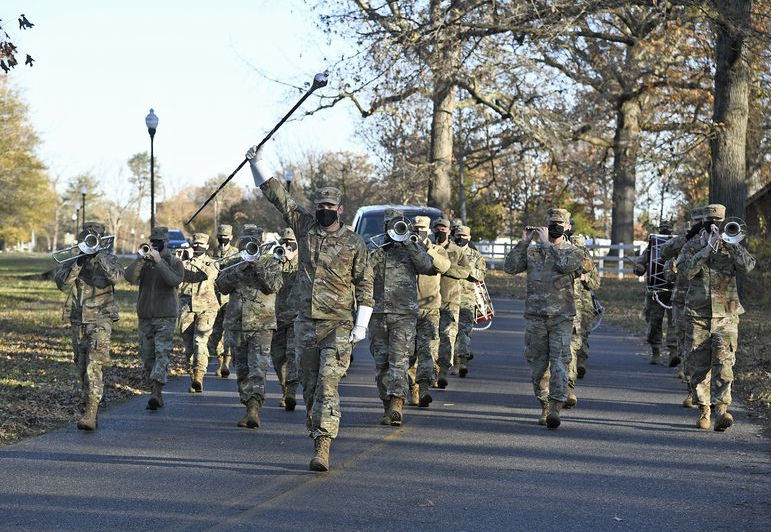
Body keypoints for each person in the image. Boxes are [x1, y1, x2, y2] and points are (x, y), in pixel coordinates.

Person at [247, 144, 374, 472]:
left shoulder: (354, 243)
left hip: (339, 325)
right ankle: (315, 428)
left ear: (341, 209)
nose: (324, 210)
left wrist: (361, 325)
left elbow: (365, 287)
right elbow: (279, 198)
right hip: (306, 324)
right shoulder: (305, 230)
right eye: (320, 205)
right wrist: (257, 163)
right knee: (309, 385)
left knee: (328, 383)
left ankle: (323, 445)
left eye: (330, 206)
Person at [504, 208, 583, 429]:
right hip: (535, 317)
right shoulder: (533, 252)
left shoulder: (574, 251)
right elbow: (509, 267)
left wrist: (549, 244)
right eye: (551, 224)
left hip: (561, 317)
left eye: (560, 224)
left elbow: (565, 265)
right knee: (538, 366)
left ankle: (556, 408)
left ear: (567, 227)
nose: (555, 227)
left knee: (559, 363)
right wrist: (524, 242)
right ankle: (545, 405)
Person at [684, 204, 755, 431]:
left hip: (727, 313)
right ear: (704, 221)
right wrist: (706, 250)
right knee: (698, 368)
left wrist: (731, 247)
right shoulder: (693, 245)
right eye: (711, 221)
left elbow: (749, 266)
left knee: (725, 364)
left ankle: (722, 410)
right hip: (698, 314)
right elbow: (686, 271)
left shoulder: (732, 244)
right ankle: (704, 410)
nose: (715, 224)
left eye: (719, 221)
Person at [367, 208, 435, 426]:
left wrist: (408, 242)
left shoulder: (411, 248)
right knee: (382, 365)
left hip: (404, 314)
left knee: (399, 361)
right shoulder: (375, 248)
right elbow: (362, 272)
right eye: (389, 223)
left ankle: (397, 403)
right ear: (384, 226)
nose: (392, 227)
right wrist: (380, 247)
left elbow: (427, 266)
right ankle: (387, 405)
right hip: (377, 314)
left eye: (396, 223)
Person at [54, 221, 124, 431]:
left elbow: (117, 278)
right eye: (87, 237)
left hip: (101, 318)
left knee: (94, 365)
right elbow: (62, 284)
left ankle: (91, 413)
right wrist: (79, 261)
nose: (90, 240)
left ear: (101, 240)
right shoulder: (75, 259)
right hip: (78, 318)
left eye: (94, 238)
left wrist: (98, 256)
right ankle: (88, 406)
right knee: (82, 366)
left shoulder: (109, 258)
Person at [216, 225, 284, 429]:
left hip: (262, 324)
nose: (249, 245)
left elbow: (274, 285)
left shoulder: (270, 262)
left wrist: (257, 267)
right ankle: (248, 405)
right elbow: (221, 285)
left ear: (260, 243)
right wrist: (240, 269)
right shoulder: (234, 262)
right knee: (243, 369)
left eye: (253, 242)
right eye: (246, 242)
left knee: (258, 367)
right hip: (237, 324)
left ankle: (254, 408)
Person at [125, 226, 184, 410]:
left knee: (162, 353)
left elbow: (174, 281)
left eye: (160, 242)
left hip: (165, 316)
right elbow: (129, 277)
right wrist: (142, 260)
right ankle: (154, 389)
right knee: (147, 356)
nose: (156, 245)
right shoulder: (145, 261)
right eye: (153, 242)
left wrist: (159, 262)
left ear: (166, 242)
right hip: (145, 316)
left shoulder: (174, 262)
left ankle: (156, 392)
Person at [408, 215, 451, 408]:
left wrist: (427, 251)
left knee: (428, 351)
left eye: (423, 229)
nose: (419, 232)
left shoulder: (437, 250)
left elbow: (445, 266)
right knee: (409, 354)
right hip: (407, 310)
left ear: (429, 231)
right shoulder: (405, 249)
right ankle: (412, 388)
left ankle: (424, 387)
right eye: (416, 229)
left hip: (430, 309)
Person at [668, 207, 708, 407]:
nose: (701, 225)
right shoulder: (687, 241)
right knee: (685, 343)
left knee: (697, 347)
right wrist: (685, 238)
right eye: (697, 221)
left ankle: (696, 391)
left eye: (704, 221)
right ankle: (691, 388)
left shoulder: (713, 241)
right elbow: (665, 250)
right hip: (681, 298)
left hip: (702, 303)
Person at [178, 233, 219, 394]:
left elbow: (207, 274)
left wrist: (193, 260)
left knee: (199, 341)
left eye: (201, 244)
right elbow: (174, 276)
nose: (197, 247)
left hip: (207, 307)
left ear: (207, 246)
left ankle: (199, 377)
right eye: (195, 244)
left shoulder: (212, 262)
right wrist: (180, 261)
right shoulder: (184, 261)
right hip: (186, 307)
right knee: (188, 346)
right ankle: (192, 376)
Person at [434, 218, 471, 389]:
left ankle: (443, 371)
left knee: (448, 337)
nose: (440, 231)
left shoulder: (457, 251)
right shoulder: (427, 249)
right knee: (431, 340)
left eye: (444, 229)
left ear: (449, 231)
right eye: (437, 228)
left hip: (451, 301)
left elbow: (465, 271)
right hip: (429, 302)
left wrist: (445, 267)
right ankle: (431, 373)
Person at [633, 220, 676, 365]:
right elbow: (641, 263)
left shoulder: (677, 245)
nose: (665, 230)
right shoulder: (651, 247)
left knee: (674, 322)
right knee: (654, 321)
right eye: (663, 228)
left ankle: (673, 352)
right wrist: (638, 268)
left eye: (668, 228)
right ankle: (655, 351)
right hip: (655, 291)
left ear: (672, 230)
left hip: (674, 290)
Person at [566, 233, 600, 406]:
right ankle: (568, 381)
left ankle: (582, 361)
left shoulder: (588, 261)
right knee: (573, 339)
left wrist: (587, 280)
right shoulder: (566, 258)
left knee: (583, 335)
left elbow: (596, 283)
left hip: (585, 304)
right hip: (568, 304)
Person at [271, 228, 300, 411]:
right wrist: (276, 260)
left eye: (291, 243)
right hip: (276, 316)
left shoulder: (303, 263)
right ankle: (284, 388)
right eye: (285, 243)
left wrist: (293, 259)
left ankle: (291, 391)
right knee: (277, 357)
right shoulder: (274, 261)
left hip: (296, 317)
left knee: (292, 354)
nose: (287, 246)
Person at [453, 225, 486, 378]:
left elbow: (481, 275)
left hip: (467, 298)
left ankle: (462, 361)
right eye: (459, 235)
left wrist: (467, 269)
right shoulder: (449, 252)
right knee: (449, 332)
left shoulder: (476, 255)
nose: (461, 238)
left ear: (469, 237)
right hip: (449, 297)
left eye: (464, 236)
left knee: (464, 331)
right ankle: (451, 361)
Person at [209, 224, 234, 378]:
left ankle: (227, 363)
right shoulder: (213, 252)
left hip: (230, 298)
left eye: (226, 236)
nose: (223, 239)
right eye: (220, 236)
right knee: (216, 332)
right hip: (215, 298)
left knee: (229, 332)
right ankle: (219, 364)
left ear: (231, 237)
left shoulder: (236, 253)